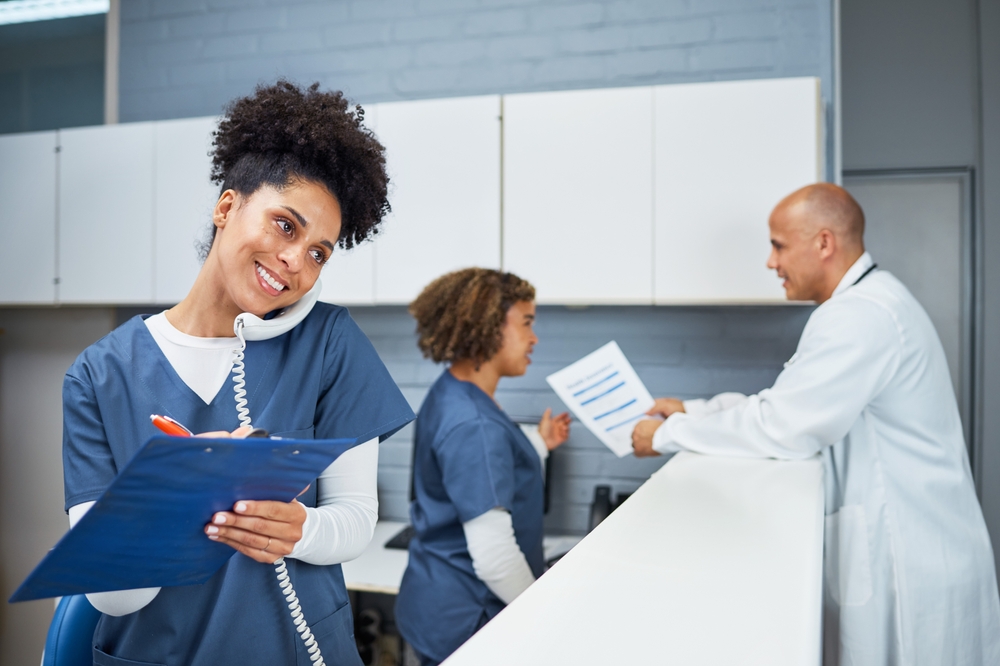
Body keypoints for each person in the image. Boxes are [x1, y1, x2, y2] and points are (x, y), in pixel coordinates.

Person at [61, 81, 414, 665]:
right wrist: (174, 494)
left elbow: (356, 518)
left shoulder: (328, 343)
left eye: (319, 252)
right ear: (227, 208)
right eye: (286, 225)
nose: (297, 261)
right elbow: (114, 596)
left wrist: (299, 529)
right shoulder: (99, 376)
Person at [631, 183, 1000, 664]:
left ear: (824, 243)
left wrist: (665, 435)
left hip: (909, 561)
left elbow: (785, 427)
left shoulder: (858, 316)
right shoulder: (870, 301)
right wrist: (696, 412)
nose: (770, 262)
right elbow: (793, 401)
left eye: (778, 245)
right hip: (914, 546)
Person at [395, 268, 571, 666]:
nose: (534, 338)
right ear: (489, 328)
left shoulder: (452, 392)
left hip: (434, 599)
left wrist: (538, 445)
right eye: (526, 323)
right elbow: (494, 556)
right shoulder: (475, 423)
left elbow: (476, 468)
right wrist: (542, 615)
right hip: (467, 621)